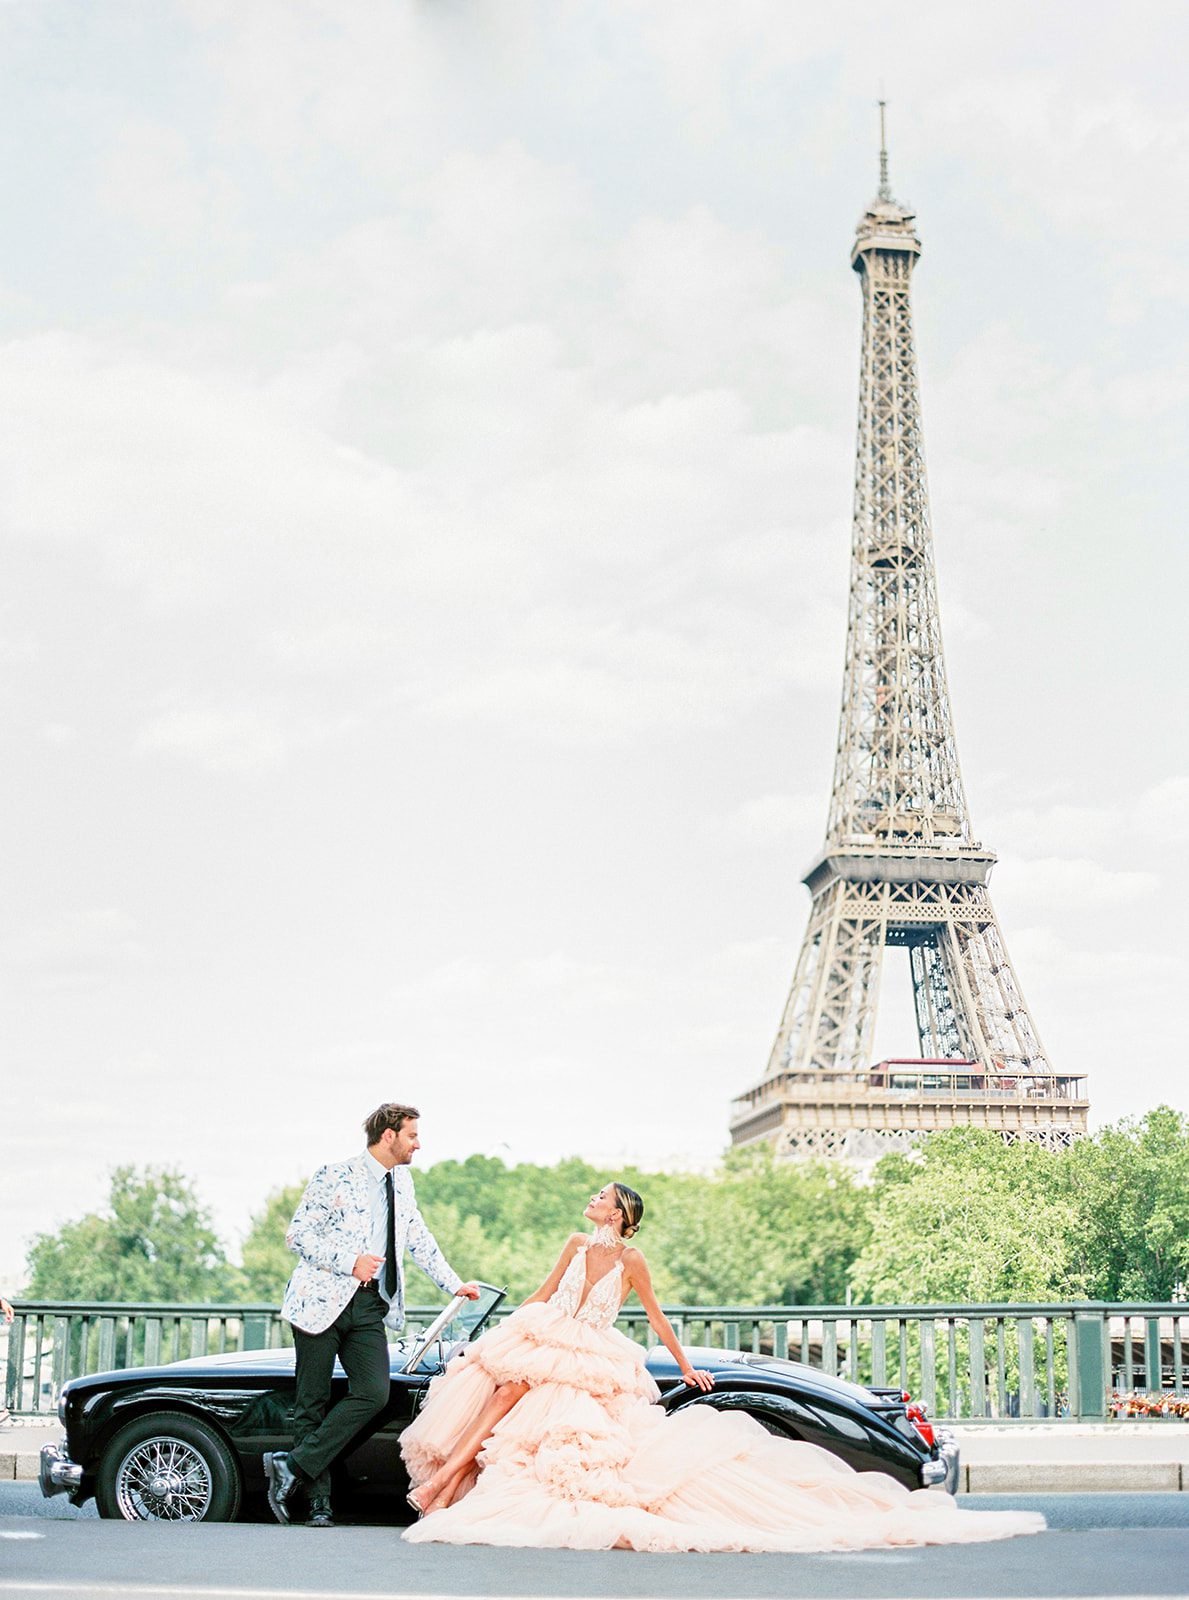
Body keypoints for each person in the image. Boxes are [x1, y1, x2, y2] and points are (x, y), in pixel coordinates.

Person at [399, 1181, 1046, 1553]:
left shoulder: (632, 1261)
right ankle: (445, 1484)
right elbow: (542, 1294)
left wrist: (685, 1367)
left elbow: (654, 1318)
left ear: (620, 1214)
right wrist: (506, 1330)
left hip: (589, 1353)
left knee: (518, 1392)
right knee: (507, 1380)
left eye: (601, 1197)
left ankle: (440, 1489)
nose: (590, 1200)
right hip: (550, 1335)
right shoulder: (573, 1243)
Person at [264, 1102, 478, 1529]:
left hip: (367, 1306)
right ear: (388, 1135)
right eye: (412, 1135)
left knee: (374, 1393)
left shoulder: (402, 1182)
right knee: (313, 1403)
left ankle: (292, 1464)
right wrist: (349, 1261)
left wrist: (452, 1283)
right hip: (319, 1302)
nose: (419, 1143)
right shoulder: (334, 1174)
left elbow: (418, 1237)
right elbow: (298, 1235)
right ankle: (318, 1504)